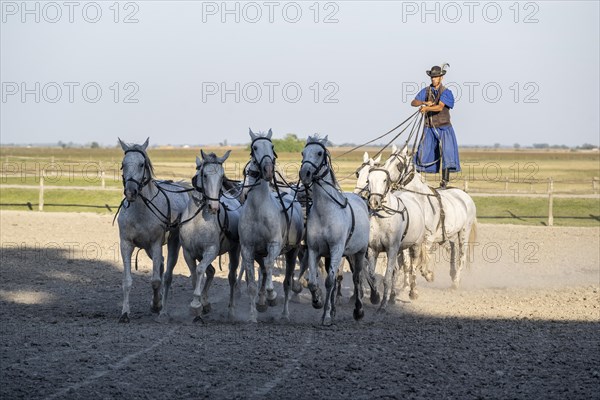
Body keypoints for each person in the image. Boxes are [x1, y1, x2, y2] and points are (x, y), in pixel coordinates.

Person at [411, 64, 460, 188]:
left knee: (448, 153)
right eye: (432, 77)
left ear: (441, 78)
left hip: (444, 128)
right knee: (422, 152)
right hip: (429, 127)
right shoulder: (426, 91)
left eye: (436, 77)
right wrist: (423, 102)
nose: (434, 79)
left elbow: (439, 107)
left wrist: (427, 108)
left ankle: (444, 181)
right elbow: (413, 102)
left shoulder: (446, 92)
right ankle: (416, 178)